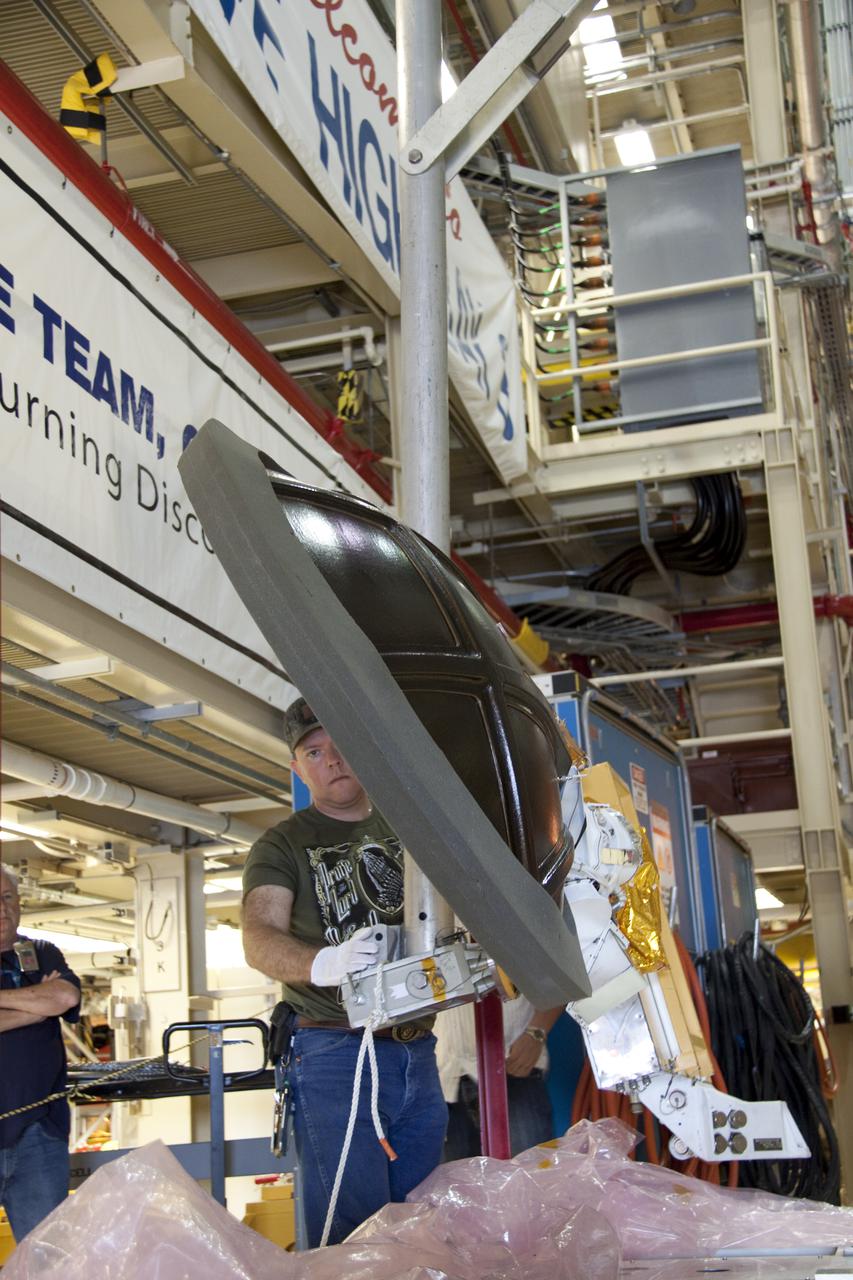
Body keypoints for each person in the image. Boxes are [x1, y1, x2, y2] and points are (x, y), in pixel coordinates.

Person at [241, 698, 447, 1247]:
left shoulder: (410, 826)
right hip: (337, 1054)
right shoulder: (282, 844)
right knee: (354, 1237)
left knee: (422, 1226)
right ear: (297, 768)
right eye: (313, 752)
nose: (331, 760)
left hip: (416, 1049)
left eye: (339, 745)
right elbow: (258, 937)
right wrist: (322, 963)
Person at [0, 865, 81, 1242]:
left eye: (8, 897)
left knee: (47, 1257)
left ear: (19, 902)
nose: (2, 909)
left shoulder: (42, 953)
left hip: (38, 1133)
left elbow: (64, 997)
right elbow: (51, 1002)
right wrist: (35, 1009)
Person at [437, 998, 562, 1159]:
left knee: (529, 1172)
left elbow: (566, 983)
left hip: (511, 1066)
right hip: (440, 1080)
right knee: (449, 1176)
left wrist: (536, 1032)